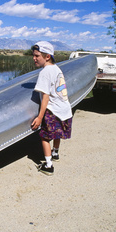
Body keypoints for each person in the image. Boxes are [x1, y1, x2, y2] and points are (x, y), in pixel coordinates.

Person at [31, 41, 73, 175]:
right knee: (57, 133)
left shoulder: (45, 72)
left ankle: (48, 166)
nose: (34, 58)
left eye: (37, 55)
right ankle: (55, 153)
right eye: (34, 55)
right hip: (65, 109)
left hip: (53, 110)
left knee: (44, 137)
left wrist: (39, 117)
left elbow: (46, 97)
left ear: (47, 56)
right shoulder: (57, 68)